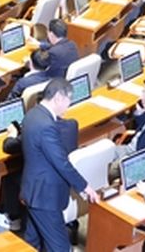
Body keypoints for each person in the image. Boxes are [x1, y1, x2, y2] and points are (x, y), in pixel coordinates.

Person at [20, 78, 101, 251]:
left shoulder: (32, 114)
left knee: (31, 242)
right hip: (45, 195)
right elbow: (62, 163)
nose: (68, 107)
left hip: (34, 189)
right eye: (68, 101)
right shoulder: (47, 126)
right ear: (58, 98)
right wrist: (85, 187)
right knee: (60, 248)